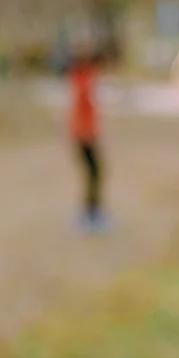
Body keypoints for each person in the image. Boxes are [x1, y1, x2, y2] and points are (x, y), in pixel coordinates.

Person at [69, 45, 106, 231]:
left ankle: (92, 211)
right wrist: (87, 133)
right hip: (84, 136)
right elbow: (83, 109)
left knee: (95, 173)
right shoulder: (84, 82)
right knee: (95, 173)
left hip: (84, 134)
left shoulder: (84, 79)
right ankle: (91, 213)